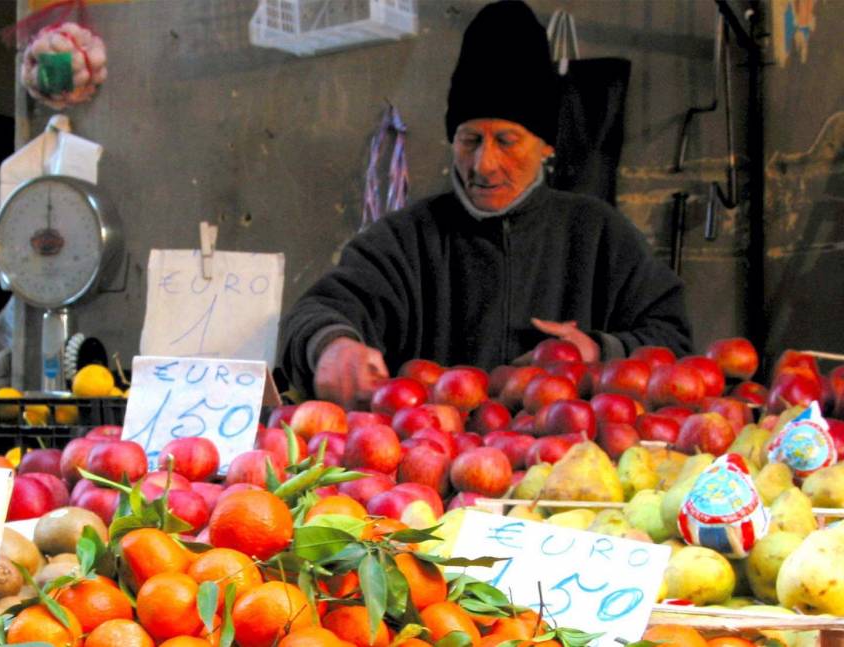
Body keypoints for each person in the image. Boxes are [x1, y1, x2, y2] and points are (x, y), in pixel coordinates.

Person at [278, 1, 692, 410]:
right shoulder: (406, 240)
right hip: (426, 463)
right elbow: (319, 310)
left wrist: (601, 350)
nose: (485, 164)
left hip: (576, 465)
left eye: (506, 141)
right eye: (470, 140)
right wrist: (331, 344)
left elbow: (672, 337)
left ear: (545, 144)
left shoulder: (599, 234)